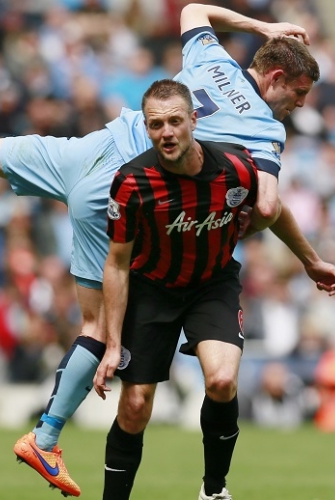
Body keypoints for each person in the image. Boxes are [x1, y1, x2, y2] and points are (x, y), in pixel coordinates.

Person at [0, 4, 335, 495]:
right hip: (119, 188)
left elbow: (193, 11)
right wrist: (237, 222)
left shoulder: (214, 61)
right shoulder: (264, 128)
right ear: (276, 77)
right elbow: (267, 205)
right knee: (97, 329)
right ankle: (45, 438)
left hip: (86, 150)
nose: (299, 105)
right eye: (298, 93)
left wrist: (262, 26)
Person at [94, 79, 259, 500]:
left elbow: (266, 210)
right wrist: (112, 344)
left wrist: (310, 261)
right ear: (147, 129)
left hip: (212, 284)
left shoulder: (238, 166)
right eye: (156, 125)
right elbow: (116, 263)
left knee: (222, 380)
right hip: (152, 289)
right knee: (135, 406)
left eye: (174, 121)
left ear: (193, 120)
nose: (166, 132)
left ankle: (214, 491)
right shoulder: (132, 181)